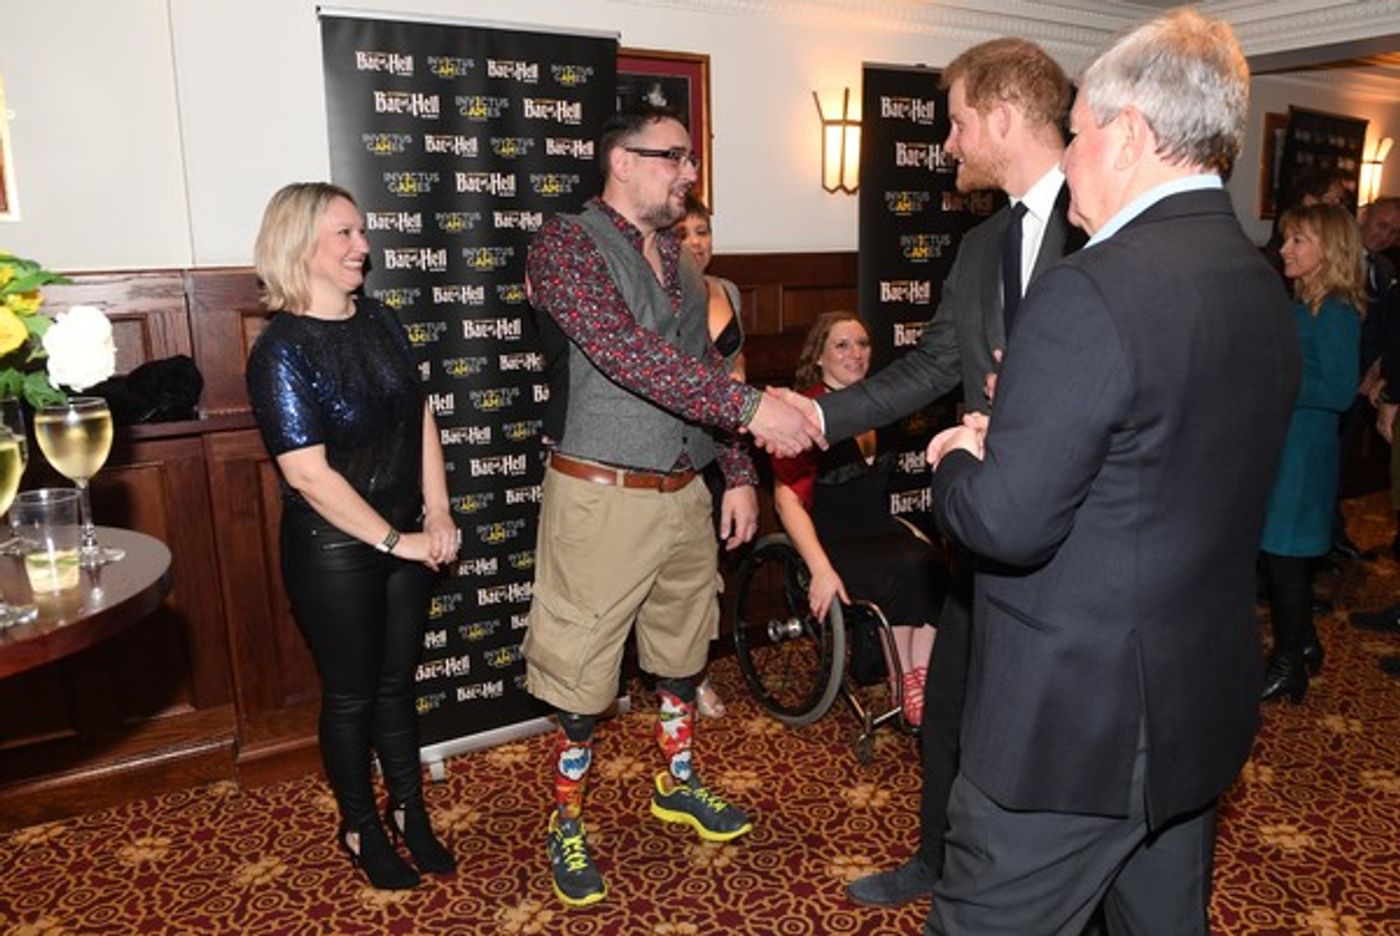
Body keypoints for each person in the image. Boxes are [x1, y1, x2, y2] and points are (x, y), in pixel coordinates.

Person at [923, 10, 1299, 934]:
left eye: (1081, 133)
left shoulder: (1088, 288)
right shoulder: (1261, 282)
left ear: (1128, 135)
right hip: (1192, 714)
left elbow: (1007, 522)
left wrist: (960, 460)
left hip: (1066, 740)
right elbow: (1158, 462)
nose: (1071, 158)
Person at [776, 36, 1085, 907]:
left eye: (954, 124)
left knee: (1060, 740)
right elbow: (931, 366)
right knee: (946, 710)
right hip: (983, 534)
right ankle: (938, 860)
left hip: (1077, 541)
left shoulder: (1106, 225)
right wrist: (818, 416)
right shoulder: (984, 245)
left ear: (999, 116)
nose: (947, 145)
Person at [523, 104, 822, 909]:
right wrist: (756, 411)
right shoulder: (564, 245)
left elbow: (704, 379)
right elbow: (626, 356)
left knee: (685, 651)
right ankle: (566, 822)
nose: (690, 175)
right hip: (601, 495)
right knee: (582, 679)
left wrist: (736, 473)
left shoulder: (681, 265)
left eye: (691, 161)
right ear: (620, 161)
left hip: (683, 491)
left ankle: (677, 781)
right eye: (674, 159)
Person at [246, 182, 460, 890]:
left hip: (405, 534)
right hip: (334, 548)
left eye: (361, 232)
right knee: (351, 696)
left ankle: (409, 812)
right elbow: (309, 476)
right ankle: (358, 825)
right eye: (344, 234)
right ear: (298, 243)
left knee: (397, 686)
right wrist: (394, 542)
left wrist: (437, 512)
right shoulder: (279, 350)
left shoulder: (384, 320)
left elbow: (420, 415)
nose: (362, 247)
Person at [771, 311, 944, 724]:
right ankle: (907, 681)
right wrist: (820, 567)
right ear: (819, 356)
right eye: (842, 345)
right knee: (906, 564)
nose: (856, 353)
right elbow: (785, 501)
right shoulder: (807, 413)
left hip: (879, 530)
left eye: (863, 344)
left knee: (933, 561)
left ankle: (923, 676)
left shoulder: (881, 406)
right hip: (831, 540)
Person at [1260, 203, 1365, 704]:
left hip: (1303, 457)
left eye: (1298, 240)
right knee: (1281, 558)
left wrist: (1277, 380)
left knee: (1284, 559)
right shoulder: (1303, 303)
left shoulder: (1339, 311)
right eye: (1287, 239)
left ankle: (1288, 667)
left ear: (1329, 250)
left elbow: (1341, 389)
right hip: (1286, 447)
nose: (1284, 248)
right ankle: (1303, 644)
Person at [673, 192, 745, 718]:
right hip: (681, 449)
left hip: (727, 441)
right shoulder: (665, 296)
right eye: (683, 233)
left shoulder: (729, 291)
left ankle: (697, 667)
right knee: (680, 570)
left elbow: (737, 368)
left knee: (710, 569)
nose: (696, 243)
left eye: (703, 231)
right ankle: (685, 678)